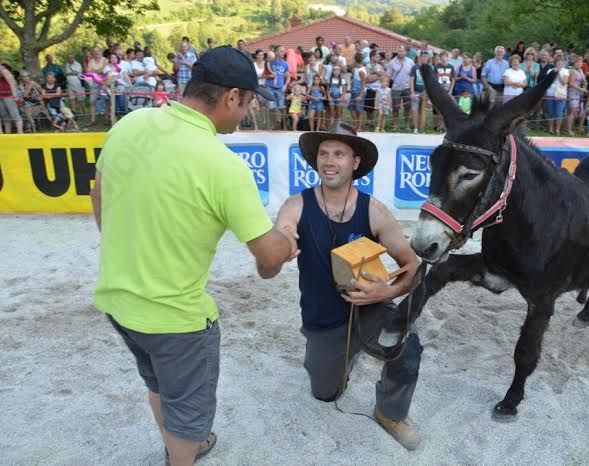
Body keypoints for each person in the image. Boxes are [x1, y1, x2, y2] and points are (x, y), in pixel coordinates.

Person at [91, 46, 294, 466]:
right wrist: (288, 239)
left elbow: (98, 194)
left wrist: (128, 247)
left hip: (117, 299)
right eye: (249, 103)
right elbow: (268, 259)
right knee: (188, 413)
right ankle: (181, 454)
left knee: (159, 385)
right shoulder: (224, 165)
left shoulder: (131, 123)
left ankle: (182, 448)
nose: (247, 113)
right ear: (231, 97)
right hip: (177, 318)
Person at [274, 122, 423, 451]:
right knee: (326, 394)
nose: (329, 161)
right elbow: (283, 231)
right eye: (324, 154)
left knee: (408, 346)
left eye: (339, 154)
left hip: (370, 308)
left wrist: (386, 292)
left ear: (355, 162)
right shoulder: (296, 205)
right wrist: (283, 241)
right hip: (322, 318)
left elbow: (412, 266)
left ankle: (390, 414)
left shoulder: (375, 211)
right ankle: (344, 355)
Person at [386, 45, 414, 132]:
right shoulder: (392, 62)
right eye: (398, 51)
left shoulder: (410, 62)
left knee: (407, 107)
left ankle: (406, 124)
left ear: (405, 52)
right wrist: (387, 88)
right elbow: (388, 76)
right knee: (395, 107)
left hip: (407, 87)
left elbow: (413, 76)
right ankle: (395, 124)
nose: (399, 53)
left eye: (401, 51)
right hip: (396, 88)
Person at [267, 45, 290, 130]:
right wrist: (269, 76)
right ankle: (272, 126)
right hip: (270, 87)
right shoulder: (270, 62)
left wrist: (285, 85)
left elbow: (288, 77)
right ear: (276, 52)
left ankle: (284, 126)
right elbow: (264, 74)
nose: (283, 53)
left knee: (281, 107)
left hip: (280, 88)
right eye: (281, 51)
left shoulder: (285, 64)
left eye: (284, 51)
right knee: (271, 108)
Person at [546, 56, 570, 134]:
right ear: (555, 63)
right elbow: (547, 81)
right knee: (550, 112)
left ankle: (557, 129)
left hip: (560, 94)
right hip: (550, 93)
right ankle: (550, 129)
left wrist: (558, 73)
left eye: (561, 62)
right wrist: (554, 72)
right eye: (558, 62)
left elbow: (564, 82)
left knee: (559, 113)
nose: (559, 63)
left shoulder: (566, 71)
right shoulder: (550, 70)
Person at [566, 55, 587, 135]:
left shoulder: (580, 71)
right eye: (577, 62)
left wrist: (584, 85)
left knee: (575, 112)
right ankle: (569, 130)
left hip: (578, 94)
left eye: (580, 62)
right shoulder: (572, 71)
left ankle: (570, 128)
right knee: (572, 112)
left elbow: (584, 80)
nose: (579, 64)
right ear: (574, 63)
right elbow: (571, 83)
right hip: (572, 93)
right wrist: (580, 89)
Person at [409, 52, 429, 134]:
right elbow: (411, 80)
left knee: (422, 110)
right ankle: (415, 128)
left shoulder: (428, 67)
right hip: (416, 92)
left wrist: (426, 92)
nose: (424, 58)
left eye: (426, 57)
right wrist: (412, 92)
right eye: (423, 57)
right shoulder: (415, 67)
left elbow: (429, 81)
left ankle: (421, 128)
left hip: (424, 93)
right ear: (420, 57)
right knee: (415, 110)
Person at [348, 52, 367, 131]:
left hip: (359, 92)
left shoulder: (361, 71)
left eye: (353, 59)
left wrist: (360, 95)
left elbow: (363, 84)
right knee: (351, 107)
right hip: (354, 92)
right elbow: (355, 78)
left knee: (359, 110)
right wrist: (353, 81)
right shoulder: (356, 69)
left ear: (356, 60)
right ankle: (356, 123)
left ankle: (360, 127)